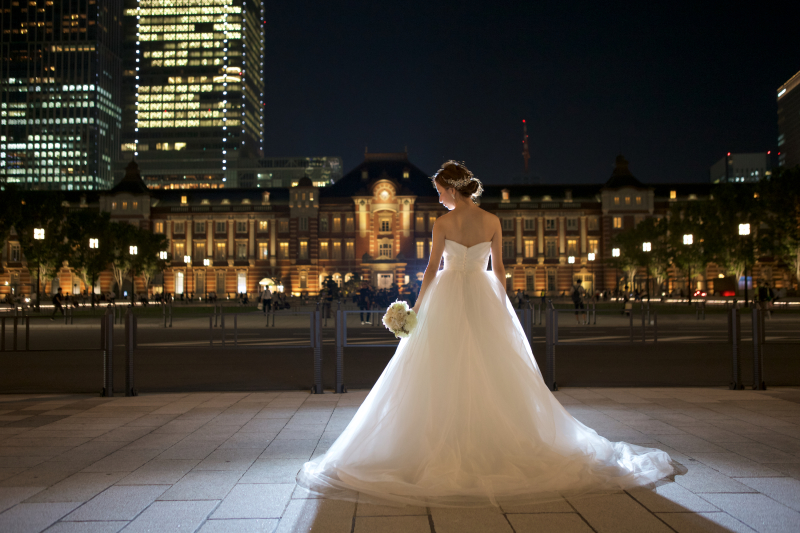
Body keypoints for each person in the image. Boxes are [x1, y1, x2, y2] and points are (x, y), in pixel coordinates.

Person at [298, 160, 678, 507]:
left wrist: (414, 309)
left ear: (450, 189)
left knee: (435, 367)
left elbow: (431, 269)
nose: (438, 197)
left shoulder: (443, 223)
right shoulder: (493, 221)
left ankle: (433, 440)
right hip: (483, 294)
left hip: (447, 294)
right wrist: (504, 306)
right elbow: (499, 271)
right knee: (493, 368)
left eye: (439, 191)